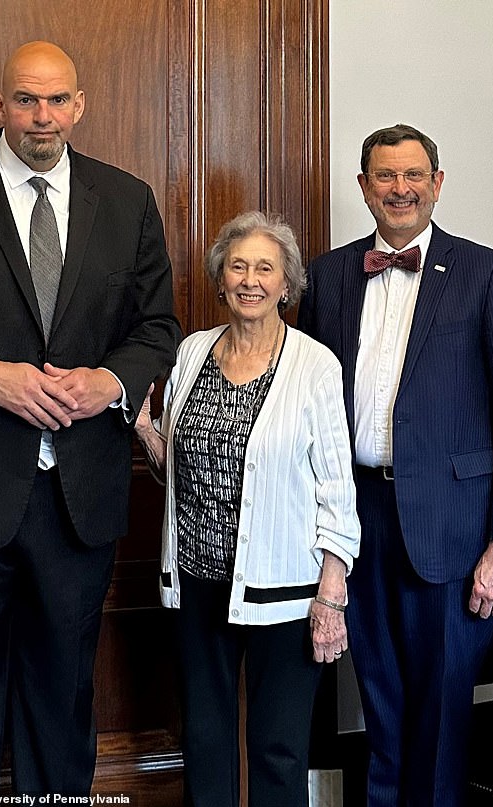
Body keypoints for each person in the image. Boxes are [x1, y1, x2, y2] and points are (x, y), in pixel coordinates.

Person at [0, 41, 180, 795]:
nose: (43, 116)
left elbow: (156, 327)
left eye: (57, 100)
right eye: (27, 100)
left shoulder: (126, 200)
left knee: (62, 699)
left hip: (80, 500)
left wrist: (109, 381)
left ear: (80, 105)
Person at [297, 123, 493, 807]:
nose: (401, 189)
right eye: (385, 176)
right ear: (363, 186)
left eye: (414, 175)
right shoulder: (329, 275)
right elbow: (307, 404)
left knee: (442, 709)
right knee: (380, 699)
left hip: (453, 526)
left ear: (437, 184)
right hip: (358, 519)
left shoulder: (488, 273)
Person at [134, 211, 360, 807]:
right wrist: (146, 433)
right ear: (221, 278)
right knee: (205, 741)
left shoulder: (315, 365)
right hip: (197, 582)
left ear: (286, 284)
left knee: (278, 749)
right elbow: (179, 473)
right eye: (239, 266)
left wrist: (331, 596)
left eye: (266, 267)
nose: (251, 279)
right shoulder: (191, 351)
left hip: (283, 589)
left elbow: (338, 491)